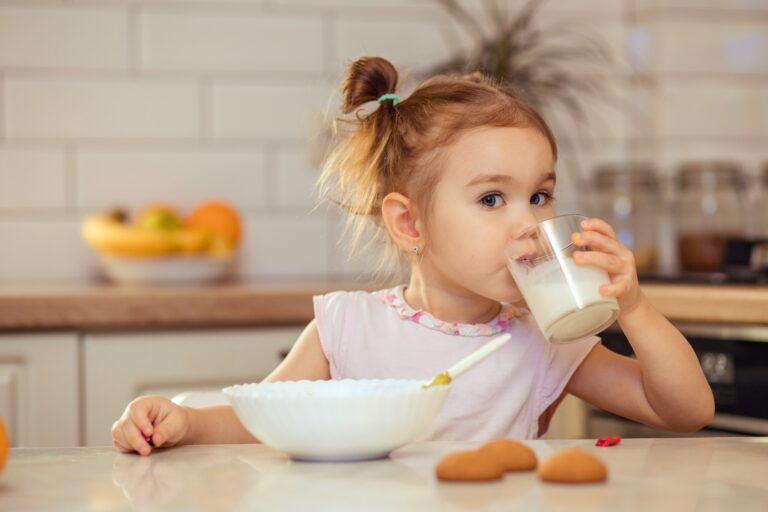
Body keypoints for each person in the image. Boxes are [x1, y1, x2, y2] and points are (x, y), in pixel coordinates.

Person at [112, 56, 714, 456]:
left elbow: (684, 410)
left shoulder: (546, 338)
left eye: (540, 196)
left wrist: (634, 309)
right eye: (492, 198)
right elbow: (258, 420)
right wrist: (186, 422)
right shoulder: (346, 328)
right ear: (409, 223)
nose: (530, 223)